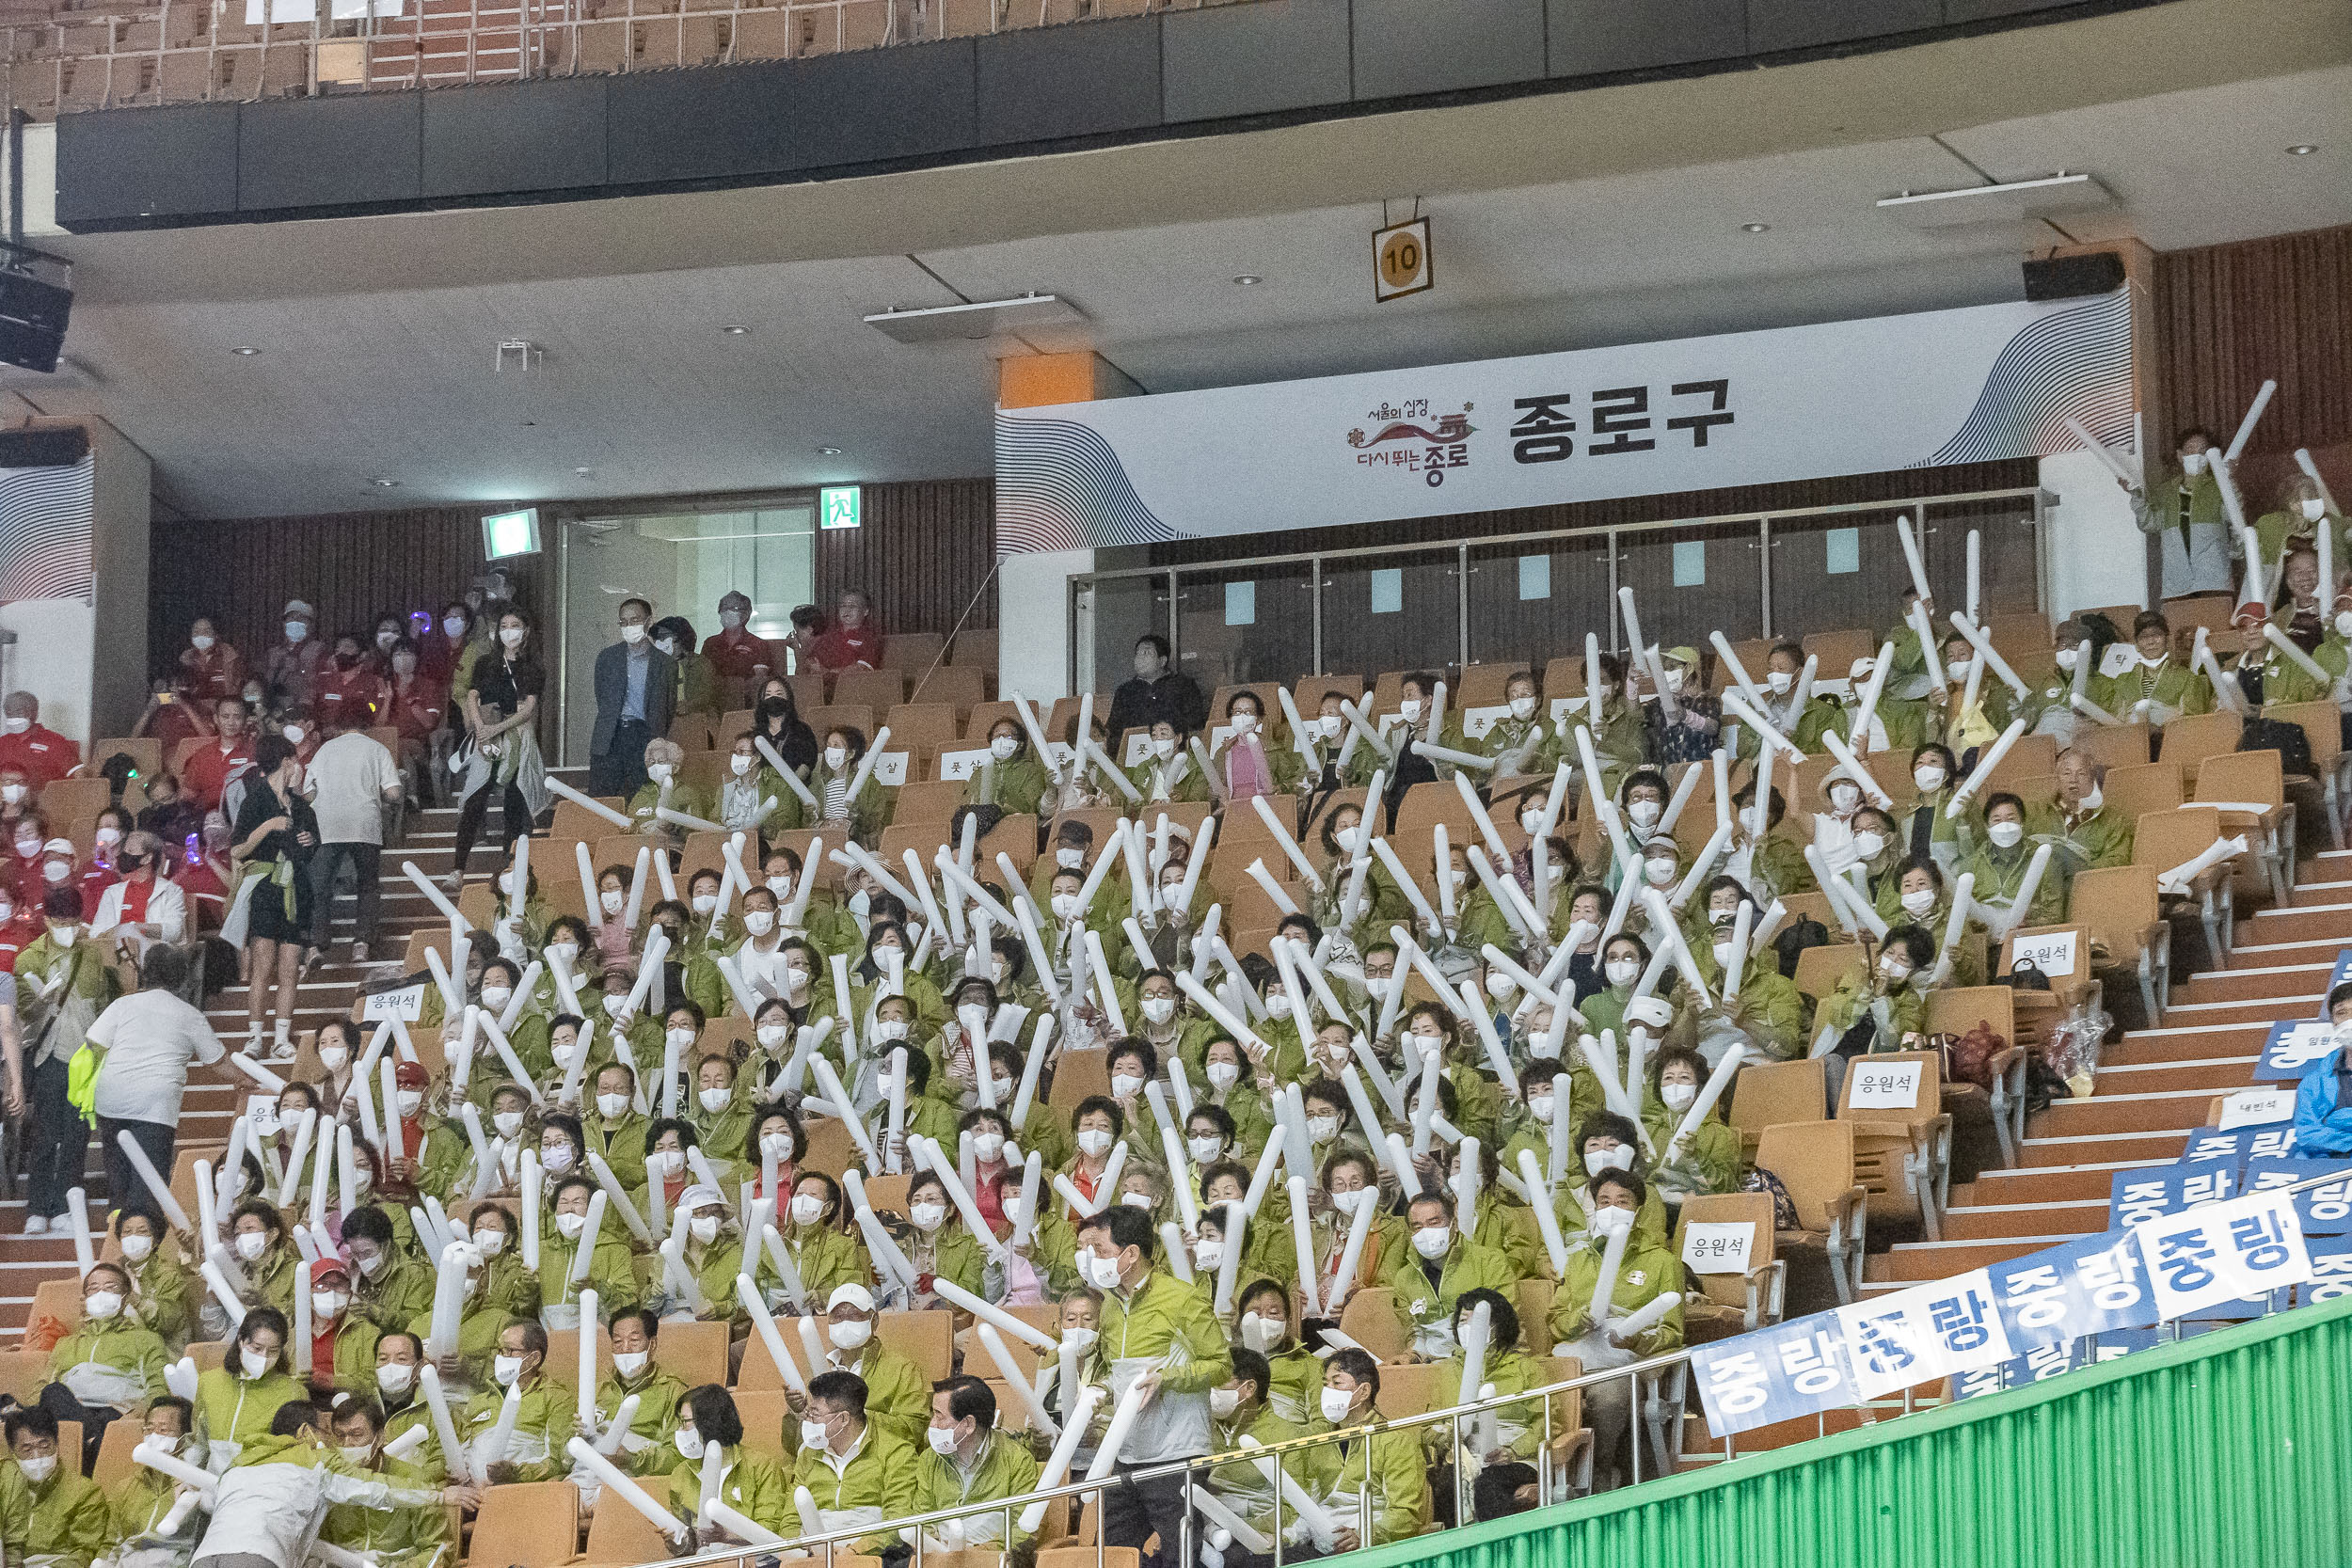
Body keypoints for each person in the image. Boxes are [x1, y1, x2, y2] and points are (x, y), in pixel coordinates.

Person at [1080, 1205, 1232, 1568]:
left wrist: (1168, 1378)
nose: (1092, 1259)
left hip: (1177, 1454)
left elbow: (1223, 1366)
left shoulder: (1182, 1298)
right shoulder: (1112, 1306)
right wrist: (1099, 1389)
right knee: (1114, 1556)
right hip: (1126, 1452)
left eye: (1100, 1249)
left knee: (1180, 1558)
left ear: (1131, 1253)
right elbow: (1115, 1371)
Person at [85, 944, 222, 1219]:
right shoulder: (189, 1014)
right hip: (155, 1105)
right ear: (181, 978)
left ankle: (117, 1237)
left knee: (118, 1181)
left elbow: (93, 1043)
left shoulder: (122, 1004)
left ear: (146, 974)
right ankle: (143, 1241)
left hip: (111, 1097)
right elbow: (217, 1061)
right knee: (148, 1185)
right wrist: (244, 1079)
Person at [228, 733, 317, 1059]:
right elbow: (238, 850)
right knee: (263, 964)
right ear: (285, 762)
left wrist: (309, 842)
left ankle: (281, 1037)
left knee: (290, 966)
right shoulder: (254, 802)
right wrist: (268, 827)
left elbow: (311, 849)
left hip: (296, 889)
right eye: (294, 760)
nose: (298, 766)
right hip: (265, 888)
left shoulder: (303, 807)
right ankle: (254, 1037)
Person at [447, 609, 548, 889]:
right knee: (475, 798)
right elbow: (472, 696)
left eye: (515, 625)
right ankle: (458, 868)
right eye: (504, 625)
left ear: (526, 630)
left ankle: (508, 864)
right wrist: (481, 727)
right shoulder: (485, 663)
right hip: (487, 736)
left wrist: (496, 729)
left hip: (516, 736)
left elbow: (528, 708)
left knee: (514, 801)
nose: (509, 631)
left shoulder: (533, 666)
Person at [39, 1260, 169, 1468]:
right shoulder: (65, 1344)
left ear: (125, 1299)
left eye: (110, 1288)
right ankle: (93, 1440)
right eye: (94, 1288)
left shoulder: (147, 1340)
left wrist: (138, 1413)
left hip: (115, 1412)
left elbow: (158, 1389)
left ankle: (88, 1445)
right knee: (52, 1392)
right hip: (69, 1412)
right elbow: (40, 1388)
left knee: (104, 1418)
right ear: (85, 1299)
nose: (101, 1293)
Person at [1302, 1349, 1429, 1548]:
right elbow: (1305, 1500)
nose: (1327, 1390)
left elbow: (1405, 1513)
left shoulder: (1397, 1441)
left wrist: (1366, 1535)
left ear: (1363, 1391)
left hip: (1371, 1547)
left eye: (1337, 1383)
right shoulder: (1320, 1440)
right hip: (1318, 1543)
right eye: (1325, 1384)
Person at [306, 718, 401, 965]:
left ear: (338, 726)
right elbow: (394, 792)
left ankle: (316, 943)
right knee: (367, 884)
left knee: (320, 886)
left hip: (327, 825)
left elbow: (308, 792)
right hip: (364, 823)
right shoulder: (377, 748)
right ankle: (362, 942)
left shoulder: (324, 749)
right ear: (365, 725)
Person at [790, 1370, 917, 1554]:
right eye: (808, 1413)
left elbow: (897, 1520)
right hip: (810, 1554)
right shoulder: (808, 1453)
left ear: (842, 1418)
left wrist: (855, 1551)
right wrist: (800, 1548)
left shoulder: (896, 1452)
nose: (808, 1421)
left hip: (869, 1556)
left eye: (815, 1414)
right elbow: (791, 1518)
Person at [911, 1375, 1041, 1550]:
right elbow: (922, 1519)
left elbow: (1025, 1529)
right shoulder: (929, 1459)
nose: (932, 1425)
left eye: (939, 1416)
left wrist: (980, 1554)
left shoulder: (1018, 1460)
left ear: (969, 1424)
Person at [0, 1405, 109, 1568]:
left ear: (57, 1444)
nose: (37, 1456)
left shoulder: (85, 1492)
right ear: (12, 1451)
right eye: (27, 1449)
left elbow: (85, 1550)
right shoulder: (5, 1484)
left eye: (44, 1446)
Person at [589, 597, 675, 799]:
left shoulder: (666, 663)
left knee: (641, 799)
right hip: (610, 735)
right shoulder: (607, 658)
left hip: (645, 736)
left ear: (648, 621)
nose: (629, 626)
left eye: (635, 620)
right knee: (603, 801)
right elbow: (602, 697)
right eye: (624, 622)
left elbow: (668, 708)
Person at [2131, 427, 2230, 598]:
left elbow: (2234, 518)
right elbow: (2149, 523)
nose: (2196, 456)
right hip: (2177, 580)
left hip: (2214, 580)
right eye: (2190, 451)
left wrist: (2229, 481)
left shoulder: (2218, 486)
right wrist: (2137, 496)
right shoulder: (2166, 491)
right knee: (2181, 624)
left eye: (2202, 451)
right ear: (2180, 455)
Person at [1105, 634, 1207, 744]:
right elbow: (1114, 728)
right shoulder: (1125, 691)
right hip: (1134, 751)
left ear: (1162, 661)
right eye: (1137, 653)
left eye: (1146, 653)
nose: (1140, 658)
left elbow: (1196, 724)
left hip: (1175, 749)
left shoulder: (1184, 686)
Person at [2292, 982, 2352, 1156]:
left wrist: (2335, 1120)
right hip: (2331, 1168)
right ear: (2334, 1024)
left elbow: (2325, 1129)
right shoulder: (2313, 1082)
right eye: (2342, 1013)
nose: (2349, 1019)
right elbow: (2307, 1135)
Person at [0, 692, 80, 788]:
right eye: (9, 712)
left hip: (45, 799)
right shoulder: (3, 742)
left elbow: (80, 774)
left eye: (19, 711)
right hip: (7, 799)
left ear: (34, 713)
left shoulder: (53, 741)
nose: (14, 716)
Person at [810, 589, 882, 672]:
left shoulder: (871, 637)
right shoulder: (830, 634)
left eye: (852, 606)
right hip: (821, 682)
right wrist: (812, 665)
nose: (846, 610)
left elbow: (862, 668)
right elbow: (811, 658)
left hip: (852, 682)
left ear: (865, 611)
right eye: (843, 606)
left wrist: (829, 673)